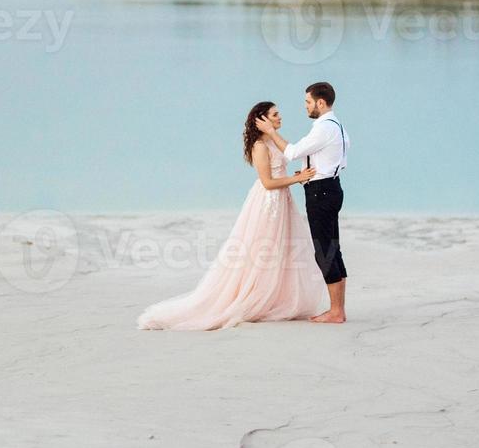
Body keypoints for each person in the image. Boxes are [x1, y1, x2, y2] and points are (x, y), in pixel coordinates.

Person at [137, 101, 328, 331]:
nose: (280, 118)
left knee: (281, 250)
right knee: (261, 249)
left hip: (282, 200)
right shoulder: (259, 145)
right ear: (263, 119)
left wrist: (296, 175)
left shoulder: (272, 139)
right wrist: (297, 179)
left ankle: (276, 298)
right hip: (269, 203)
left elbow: (286, 160)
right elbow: (267, 183)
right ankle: (254, 297)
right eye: (275, 115)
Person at [255, 81, 348, 324]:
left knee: (324, 251)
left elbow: (293, 152)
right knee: (333, 249)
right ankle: (338, 309)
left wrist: (273, 133)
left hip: (321, 191)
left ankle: (336, 311)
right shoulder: (336, 125)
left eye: (308, 102)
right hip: (331, 187)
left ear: (320, 102)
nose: (305, 106)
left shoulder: (323, 128)